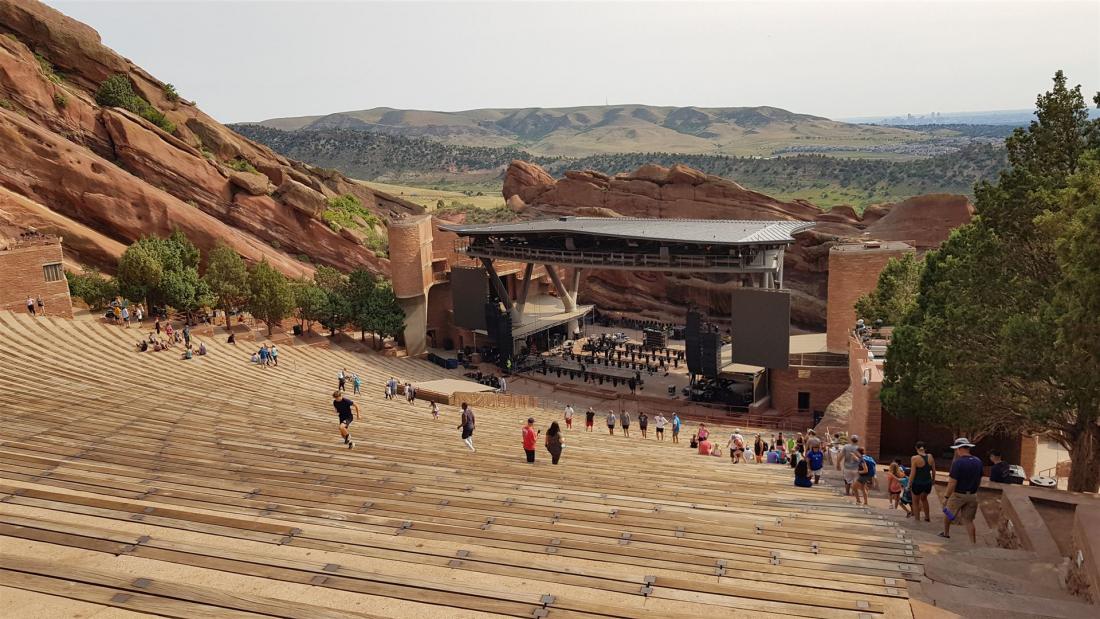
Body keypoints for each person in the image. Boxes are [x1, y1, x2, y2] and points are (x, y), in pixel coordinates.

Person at [943, 438, 982, 543]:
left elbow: (952, 482)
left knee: (948, 513)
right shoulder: (978, 462)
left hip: (958, 494)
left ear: (959, 449)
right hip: (972, 495)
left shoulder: (958, 463)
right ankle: (972, 542)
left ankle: (946, 533)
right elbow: (979, 479)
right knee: (969, 520)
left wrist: (946, 497)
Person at [910, 442, 936, 523]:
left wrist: (909, 483)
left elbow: (913, 473)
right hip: (927, 482)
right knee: (924, 499)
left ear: (916, 448)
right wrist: (933, 480)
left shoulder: (914, 458)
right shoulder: (930, 456)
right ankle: (927, 517)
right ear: (925, 448)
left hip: (917, 483)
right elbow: (934, 470)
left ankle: (917, 520)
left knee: (915, 501)